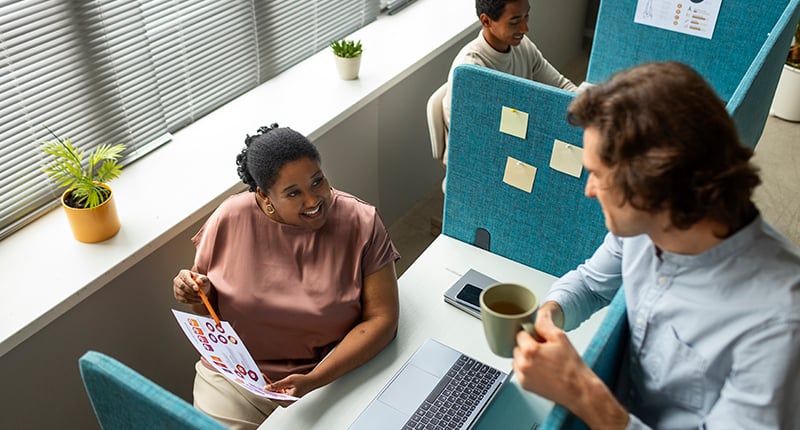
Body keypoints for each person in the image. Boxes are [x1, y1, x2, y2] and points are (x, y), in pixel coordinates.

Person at [512, 61, 800, 429]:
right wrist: (551, 313)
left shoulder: (779, 324)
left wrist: (580, 390)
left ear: (652, 187)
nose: (589, 190)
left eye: (599, 175)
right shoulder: (643, 228)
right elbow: (590, 284)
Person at [173, 124, 400, 429]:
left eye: (318, 181)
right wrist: (191, 292)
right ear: (265, 197)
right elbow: (207, 309)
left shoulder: (362, 222)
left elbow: (382, 319)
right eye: (293, 193)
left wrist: (314, 379)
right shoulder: (229, 218)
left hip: (329, 374)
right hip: (235, 379)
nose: (313, 200)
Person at [441, 0, 578, 162]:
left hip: (517, 139)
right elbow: (478, 137)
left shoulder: (522, 46)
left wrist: (591, 107)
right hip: (480, 156)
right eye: (514, 21)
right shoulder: (471, 70)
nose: (524, 28)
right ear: (486, 21)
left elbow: (562, 87)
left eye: (526, 16)